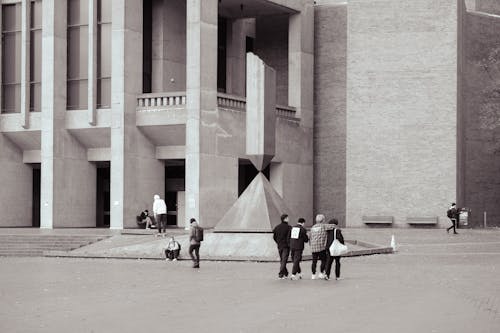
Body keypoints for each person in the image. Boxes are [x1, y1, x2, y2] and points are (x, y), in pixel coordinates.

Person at [309, 214, 335, 280]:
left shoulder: (312, 227)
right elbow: (333, 226)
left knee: (314, 261)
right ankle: (321, 273)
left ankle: (313, 274)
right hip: (321, 247)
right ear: (323, 220)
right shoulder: (324, 226)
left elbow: (310, 237)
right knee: (323, 260)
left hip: (313, 247)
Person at [272, 214, 292, 279]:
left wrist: (278, 242)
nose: (289, 219)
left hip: (279, 246)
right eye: (288, 218)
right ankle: (281, 274)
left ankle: (285, 273)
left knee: (282, 260)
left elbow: (274, 237)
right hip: (286, 246)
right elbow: (290, 237)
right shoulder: (289, 227)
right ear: (285, 219)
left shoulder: (277, 227)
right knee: (284, 260)